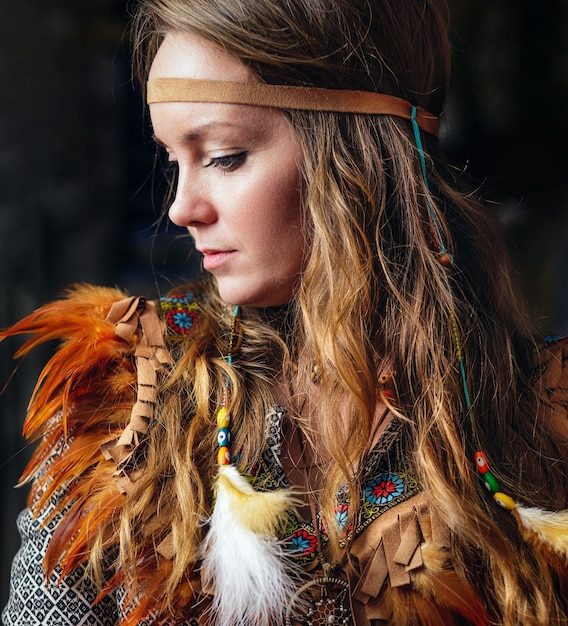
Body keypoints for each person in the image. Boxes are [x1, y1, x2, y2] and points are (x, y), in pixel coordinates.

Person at [2, 0, 568, 624]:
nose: (181, 207)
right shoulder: (127, 398)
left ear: (355, 157)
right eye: (173, 160)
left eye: (223, 156)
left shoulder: (544, 415)